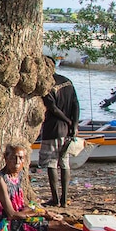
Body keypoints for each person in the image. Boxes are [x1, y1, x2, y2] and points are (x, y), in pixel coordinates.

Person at [0, 144, 82, 231]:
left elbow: (21, 205)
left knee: (58, 221)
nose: (17, 161)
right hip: (5, 223)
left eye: (21, 158)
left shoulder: (18, 175)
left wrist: (45, 213)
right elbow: (11, 214)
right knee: (60, 226)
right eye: (14, 158)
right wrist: (41, 214)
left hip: (19, 216)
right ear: (5, 158)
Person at [39, 60, 80, 207]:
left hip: (54, 129)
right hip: (68, 132)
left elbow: (53, 109)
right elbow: (76, 104)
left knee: (51, 163)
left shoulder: (47, 86)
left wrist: (67, 121)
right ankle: (64, 199)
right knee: (64, 163)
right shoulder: (67, 82)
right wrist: (74, 124)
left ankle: (55, 199)